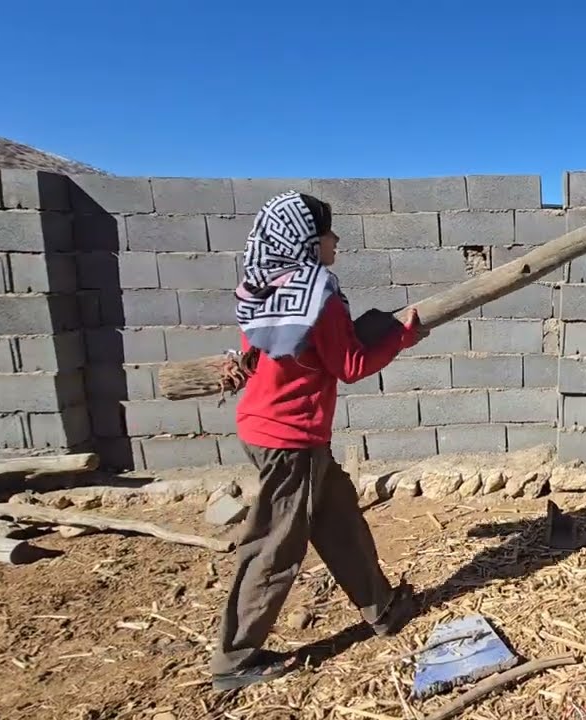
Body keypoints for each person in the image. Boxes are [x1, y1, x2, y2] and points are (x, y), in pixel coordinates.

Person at [210, 191, 426, 691]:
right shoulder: (318, 292)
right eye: (328, 232)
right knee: (275, 547)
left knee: (338, 517)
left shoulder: (265, 282)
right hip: (292, 439)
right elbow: (350, 365)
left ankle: (384, 609)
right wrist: (401, 337)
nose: (335, 240)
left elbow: (255, 347)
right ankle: (235, 662)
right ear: (307, 240)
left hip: (267, 427)